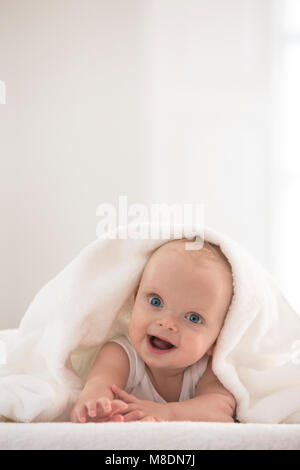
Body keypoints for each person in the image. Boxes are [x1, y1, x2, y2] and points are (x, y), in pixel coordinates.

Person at [70, 237, 236, 423]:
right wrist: (95, 406)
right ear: (135, 299)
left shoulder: (208, 369)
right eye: (155, 301)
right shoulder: (121, 354)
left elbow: (220, 410)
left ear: (216, 340)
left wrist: (167, 413)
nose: (166, 323)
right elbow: (98, 385)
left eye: (193, 318)